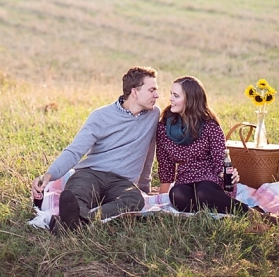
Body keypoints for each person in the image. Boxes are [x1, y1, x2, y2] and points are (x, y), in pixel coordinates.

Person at [32, 67, 160, 233]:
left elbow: (149, 153)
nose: (157, 95)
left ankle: (75, 222)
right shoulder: (101, 116)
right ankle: (76, 219)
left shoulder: (153, 114)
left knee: (135, 200)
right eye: (152, 90)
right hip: (91, 174)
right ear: (135, 92)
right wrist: (49, 175)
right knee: (76, 194)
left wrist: (144, 187)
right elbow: (75, 150)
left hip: (122, 182)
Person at [156, 76, 249, 214]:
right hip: (185, 179)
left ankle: (248, 212)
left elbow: (221, 159)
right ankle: (211, 208)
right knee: (176, 195)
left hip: (211, 178)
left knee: (204, 192)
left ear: (190, 99)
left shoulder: (210, 125)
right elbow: (166, 166)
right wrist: (161, 201)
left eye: (176, 95)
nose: (170, 99)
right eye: (171, 94)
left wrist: (229, 174)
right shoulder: (164, 126)